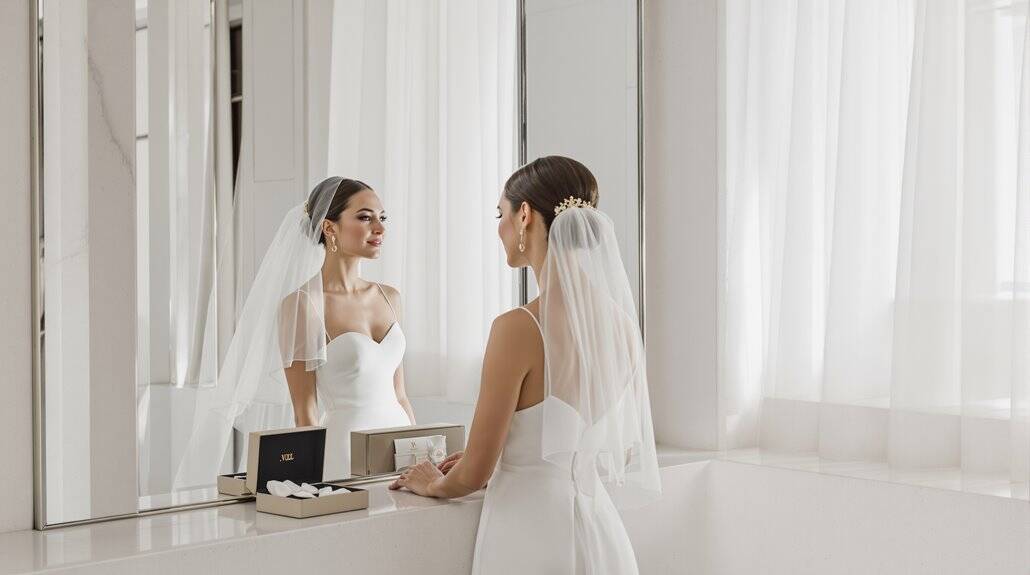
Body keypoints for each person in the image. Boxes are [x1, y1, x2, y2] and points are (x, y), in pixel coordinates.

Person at [389, 156, 661, 574]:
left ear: (525, 215)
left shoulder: (518, 327)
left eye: (501, 214)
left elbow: (473, 476)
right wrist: (504, 448)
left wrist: (433, 482)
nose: (499, 229)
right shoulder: (620, 327)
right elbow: (588, 444)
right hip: (600, 533)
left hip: (531, 536)